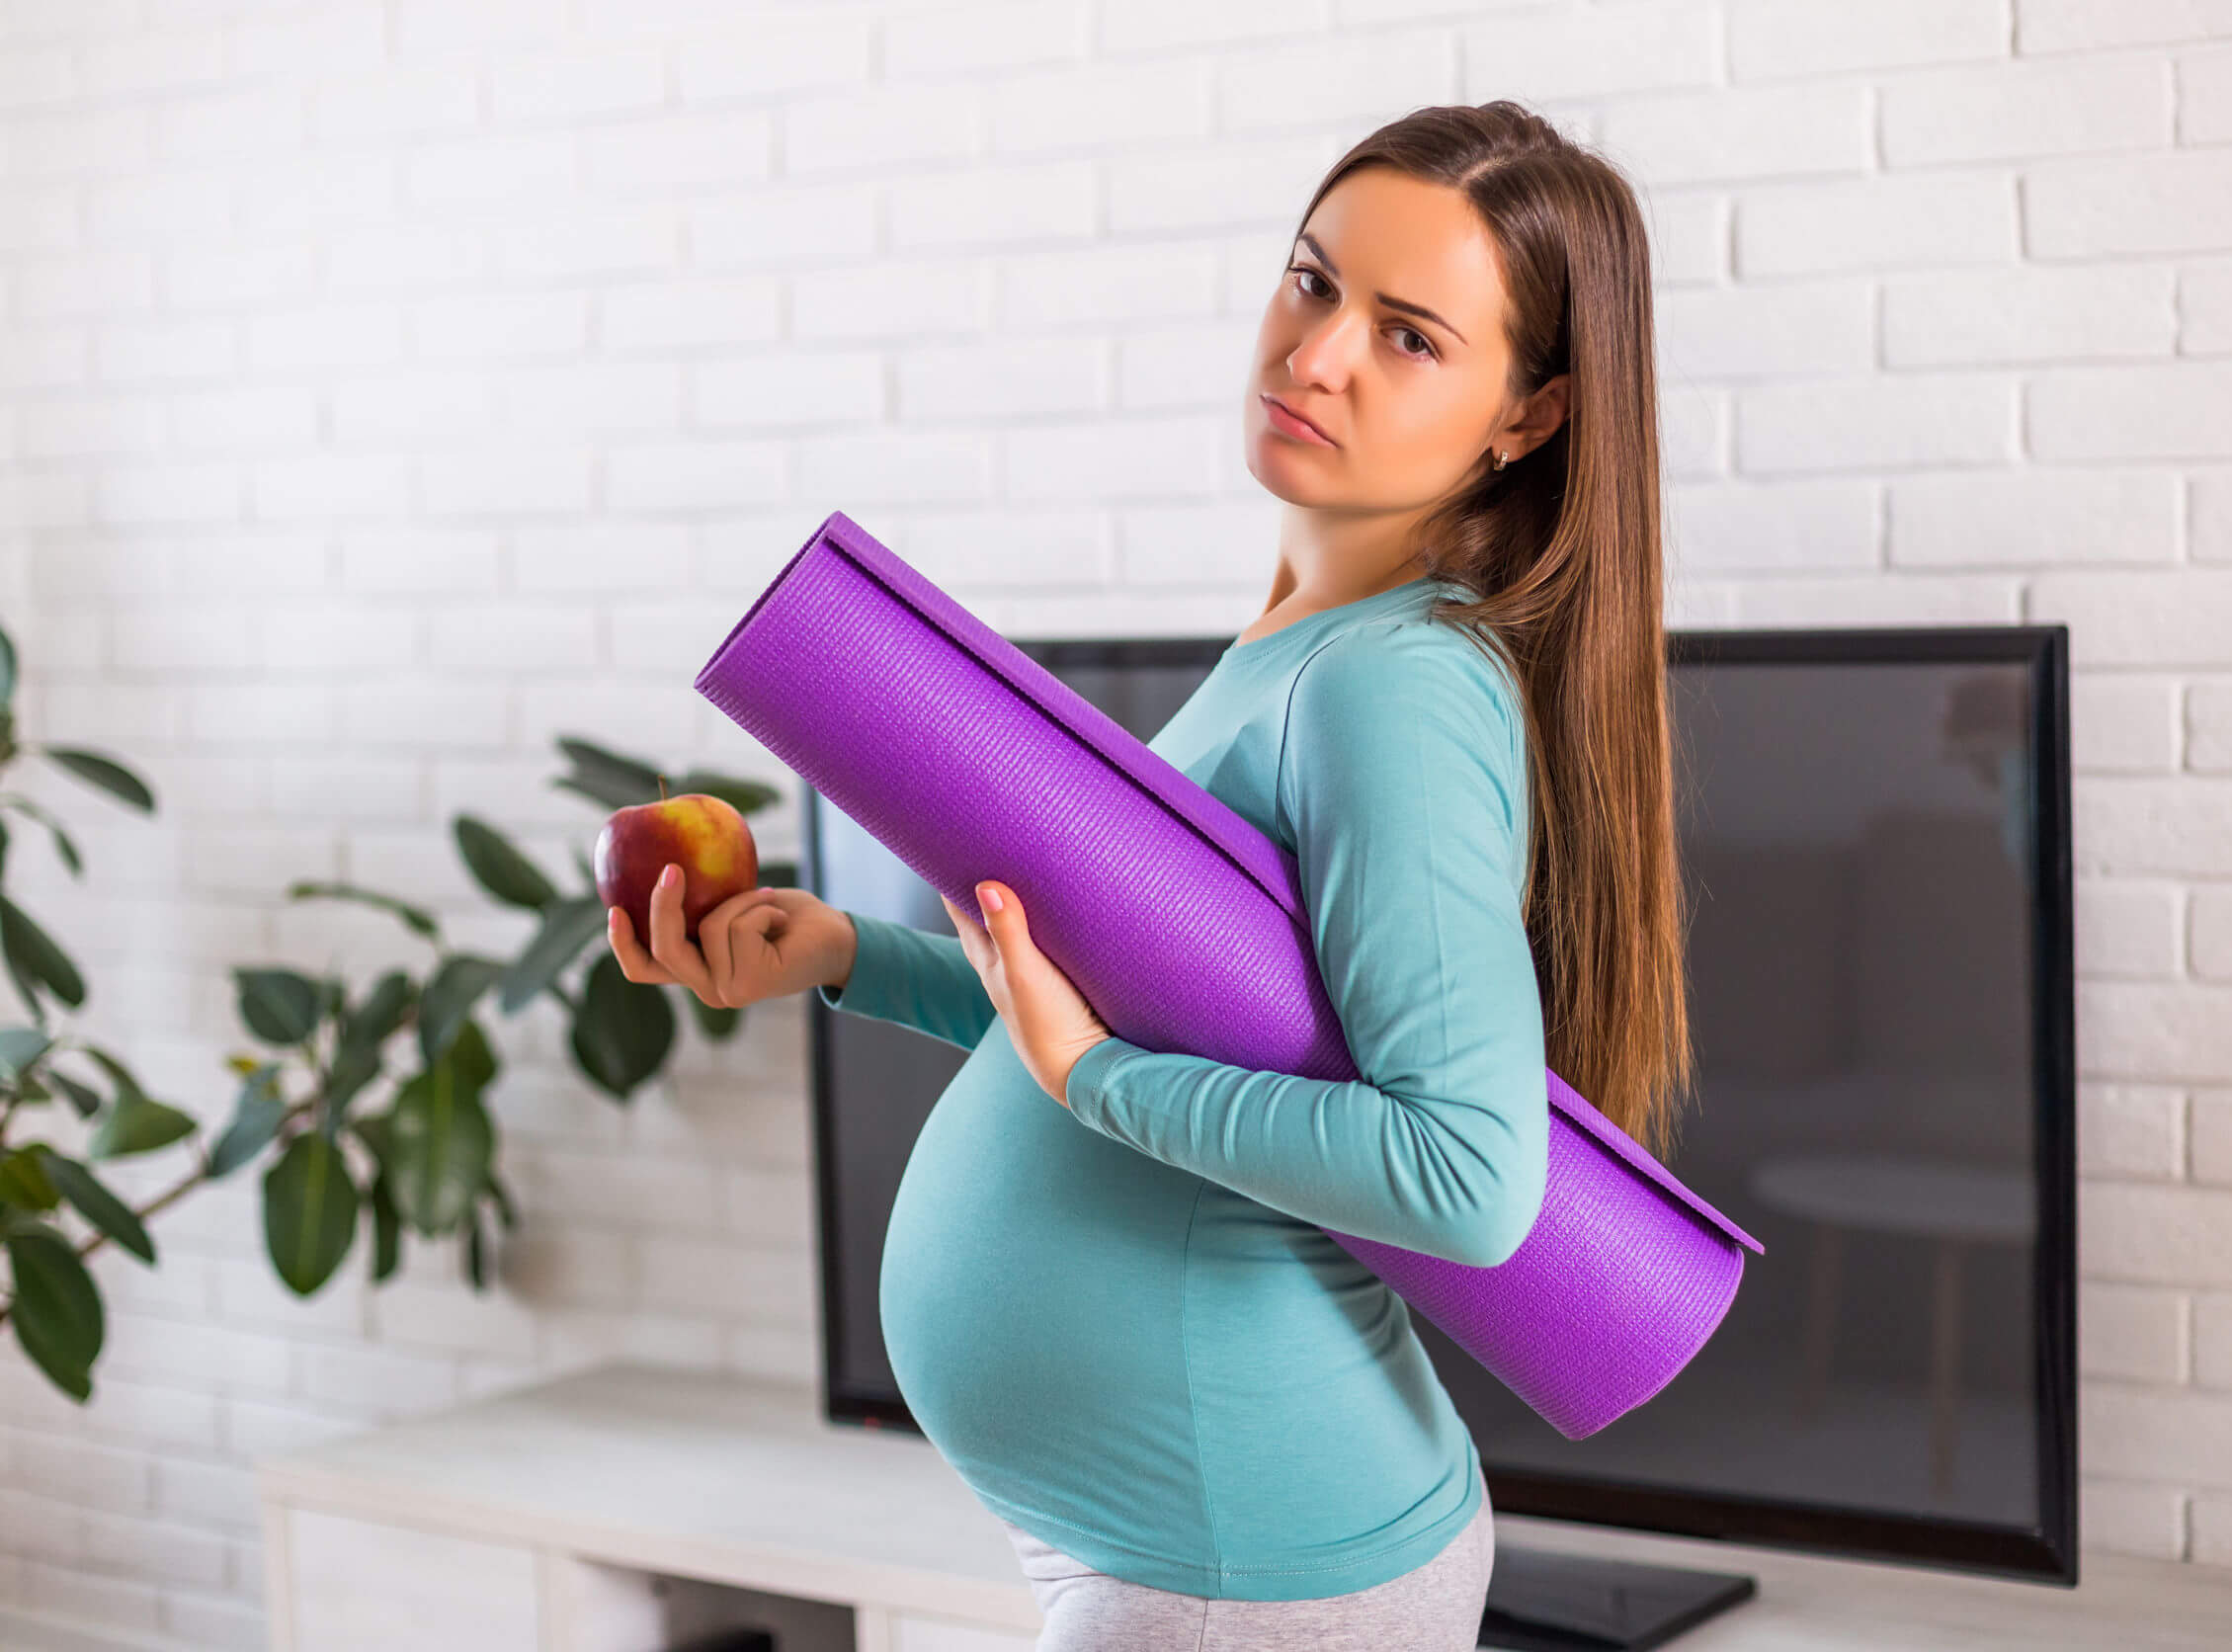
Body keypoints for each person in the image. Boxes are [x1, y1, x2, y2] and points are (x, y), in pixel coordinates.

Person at [607, 98, 1696, 1652]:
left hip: (1249, 1569)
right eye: (1314, 283)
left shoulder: (1398, 687)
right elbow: (1178, 1013)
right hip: (1191, 1547)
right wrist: (844, 952)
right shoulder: (1306, 650)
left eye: (1409, 337)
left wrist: (1096, 1081)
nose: (1315, 354)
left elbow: (1465, 1175)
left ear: (1528, 415)